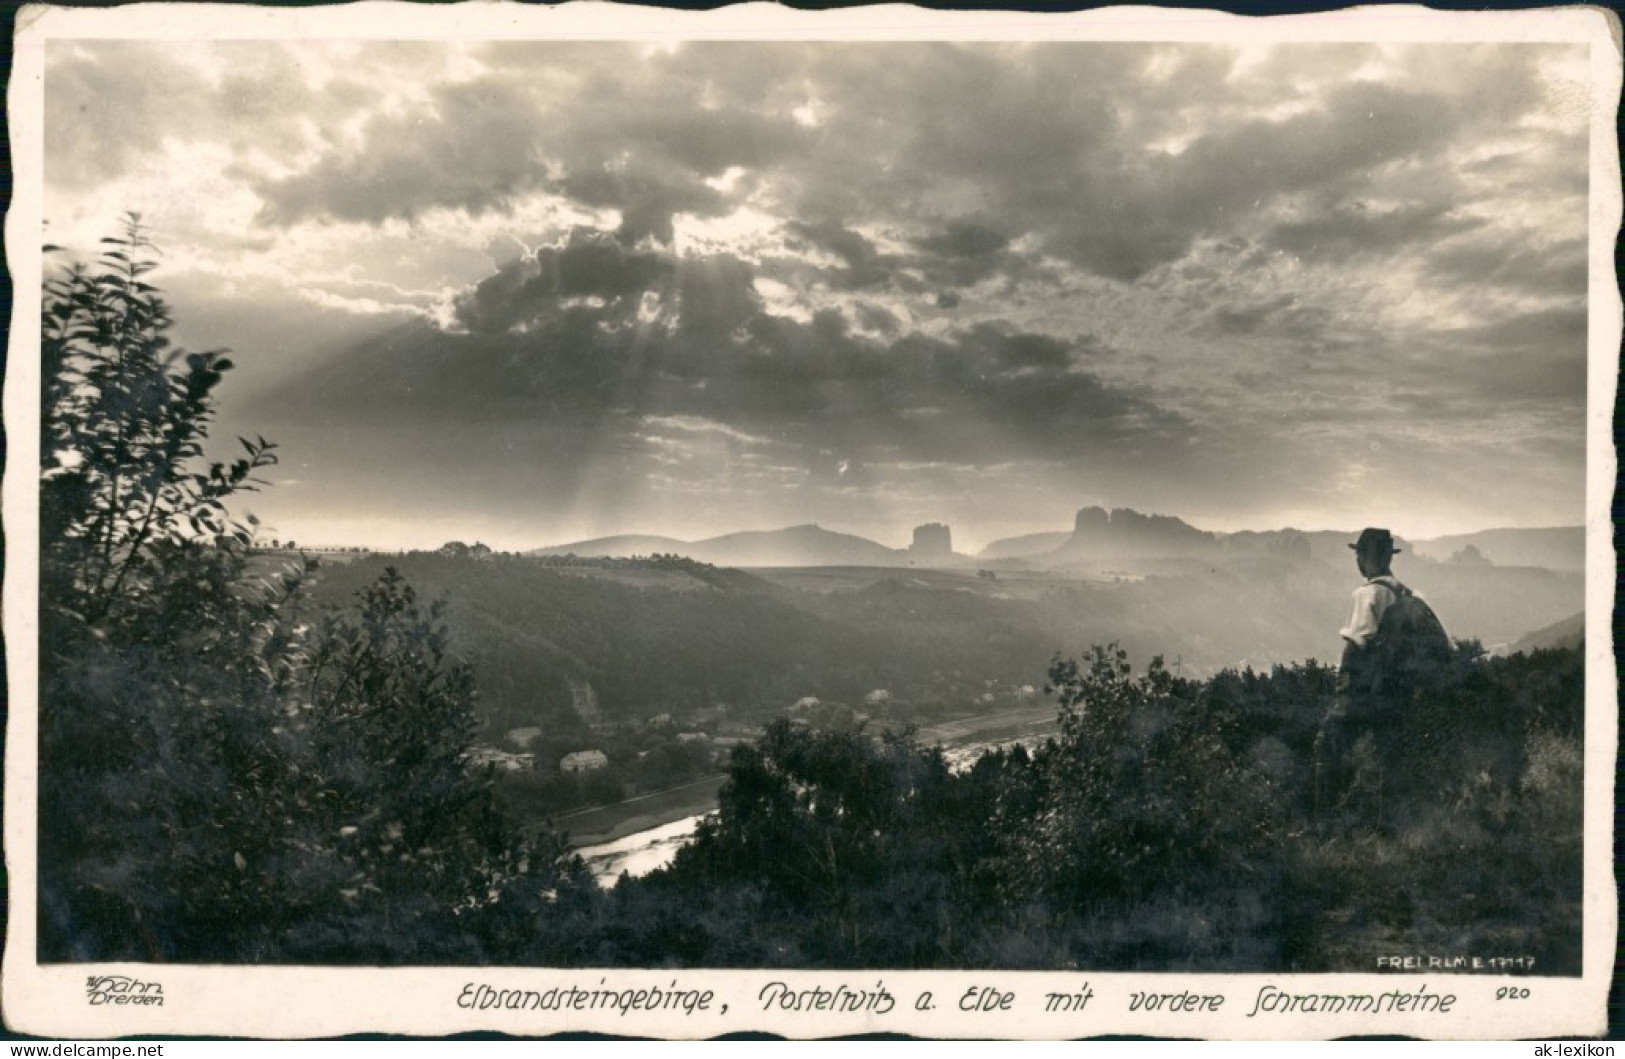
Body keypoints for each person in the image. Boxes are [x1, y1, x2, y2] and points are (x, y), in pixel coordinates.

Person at [1315, 527, 1422, 826]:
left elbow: (1356, 643)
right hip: (1394, 694)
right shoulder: (1405, 595)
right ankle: (1388, 832)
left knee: (1327, 745)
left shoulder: (1368, 594)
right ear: (1389, 557)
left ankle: (1323, 827)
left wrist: (1342, 692)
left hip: (1363, 693)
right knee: (1389, 762)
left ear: (1362, 557)